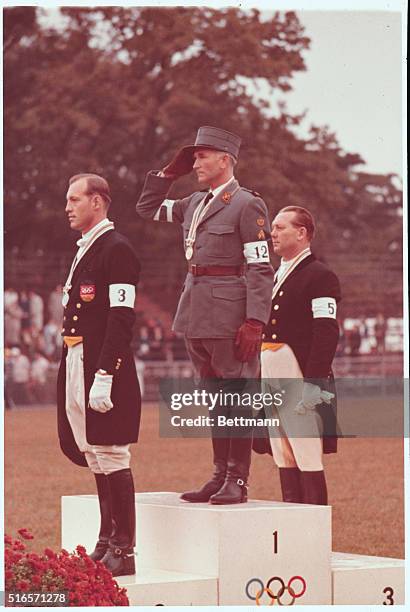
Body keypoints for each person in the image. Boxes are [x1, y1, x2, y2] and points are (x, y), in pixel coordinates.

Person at [136, 126, 274, 504]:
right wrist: (167, 174)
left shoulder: (247, 204)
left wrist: (255, 321)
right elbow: (146, 209)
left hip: (230, 312)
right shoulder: (193, 203)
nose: (195, 162)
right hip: (196, 308)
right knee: (215, 397)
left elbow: (260, 267)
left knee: (237, 395)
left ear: (225, 160)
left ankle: (238, 480)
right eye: (193, 156)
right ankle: (218, 475)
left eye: (202, 155)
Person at [57, 173, 141, 576]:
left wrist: (106, 371)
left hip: (101, 363)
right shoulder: (85, 249)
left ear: (98, 201)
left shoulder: (116, 249)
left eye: (75, 199)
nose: (68, 207)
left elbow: (121, 317)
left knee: (111, 451)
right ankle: (106, 540)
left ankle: (124, 550)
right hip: (76, 356)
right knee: (93, 451)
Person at [261, 206, 341, 505]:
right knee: (282, 451)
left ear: (302, 232)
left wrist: (314, 382)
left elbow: (326, 331)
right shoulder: (274, 274)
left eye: (280, 227)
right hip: (269, 368)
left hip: (297, 370)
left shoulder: (321, 275)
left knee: (306, 451)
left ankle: (313, 534)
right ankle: (292, 529)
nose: (273, 233)